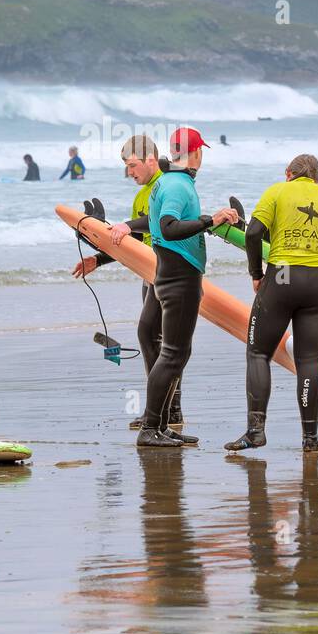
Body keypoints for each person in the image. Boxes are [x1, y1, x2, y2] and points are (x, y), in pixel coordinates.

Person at [225, 153, 318, 455]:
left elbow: (252, 233)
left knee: (259, 353)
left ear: (288, 173)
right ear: (317, 178)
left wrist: (256, 274)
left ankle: (256, 431)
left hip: (283, 276)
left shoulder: (277, 191)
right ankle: (310, 439)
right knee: (309, 361)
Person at [72, 135, 191, 441]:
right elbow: (135, 240)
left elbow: (158, 224)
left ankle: (166, 412)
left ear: (150, 159)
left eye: (132, 165)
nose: (130, 173)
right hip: (149, 273)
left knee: (160, 340)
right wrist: (98, 259)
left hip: (168, 271)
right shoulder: (142, 195)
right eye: (126, 167)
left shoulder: (168, 186)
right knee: (155, 339)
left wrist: (123, 226)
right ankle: (165, 411)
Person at [139, 127, 238, 448]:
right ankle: (150, 428)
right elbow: (168, 228)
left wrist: (212, 222)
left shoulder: (170, 182)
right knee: (173, 354)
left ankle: (162, 426)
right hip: (179, 278)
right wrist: (210, 221)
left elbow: (178, 223)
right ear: (196, 153)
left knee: (177, 353)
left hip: (172, 273)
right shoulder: (178, 186)